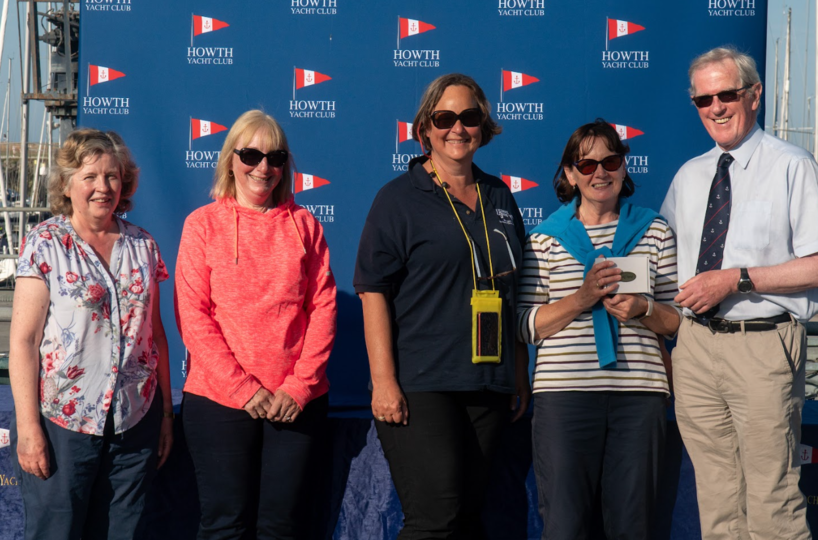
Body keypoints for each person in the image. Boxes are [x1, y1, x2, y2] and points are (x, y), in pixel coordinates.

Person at [354, 73, 531, 540]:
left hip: (488, 381)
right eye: (444, 118)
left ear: (483, 126)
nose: (457, 127)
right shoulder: (398, 199)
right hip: (422, 383)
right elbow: (373, 291)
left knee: (468, 519)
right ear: (424, 129)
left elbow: (513, 291)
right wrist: (383, 381)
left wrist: (518, 369)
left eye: (469, 117)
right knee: (435, 519)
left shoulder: (500, 196)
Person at [660, 46, 818, 540]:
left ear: (755, 95)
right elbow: (662, 263)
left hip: (763, 344)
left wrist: (737, 279)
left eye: (726, 94)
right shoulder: (689, 175)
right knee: (718, 502)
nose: (716, 107)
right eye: (703, 100)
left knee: (773, 501)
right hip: (695, 348)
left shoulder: (792, 165)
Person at [176, 109, 337, 539]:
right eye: (251, 155)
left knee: (281, 528)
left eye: (275, 157)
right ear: (230, 159)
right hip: (218, 401)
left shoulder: (305, 225)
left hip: (295, 403)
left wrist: (299, 388)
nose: (263, 168)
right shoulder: (202, 225)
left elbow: (323, 309)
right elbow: (193, 316)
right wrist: (243, 389)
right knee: (224, 526)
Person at [517, 119, 680, 540]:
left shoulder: (655, 231)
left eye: (610, 161)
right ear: (570, 175)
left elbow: (677, 319)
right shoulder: (544, 240)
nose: (600, 173)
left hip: (638, 396)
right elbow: (526, 325)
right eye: (586, 165)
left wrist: (643, 308)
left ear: (624, 166)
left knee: (632, 526)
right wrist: (581, 298)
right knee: (565, 525)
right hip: (564, 397)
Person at [9, 128, 173, 540]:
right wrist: (28, 428)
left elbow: (155, 336)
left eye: (112, 176)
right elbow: (24, 342)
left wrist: (166, 416)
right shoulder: (45, 244)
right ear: (67, 186)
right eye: (90, 177)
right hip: (62, 424)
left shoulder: (144, 246)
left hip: (135, 423)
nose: (103, 187)